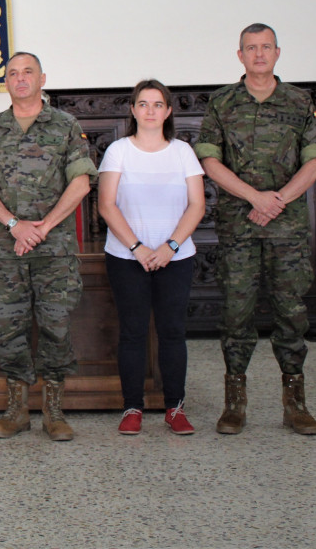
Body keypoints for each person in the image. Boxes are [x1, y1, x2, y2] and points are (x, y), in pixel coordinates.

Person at [194, 24, 316, 436]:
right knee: (236, 315)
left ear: (277, 53)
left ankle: (296, 404)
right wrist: (255, 197)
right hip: (239, 227)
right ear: (239, 56)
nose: (258, 54)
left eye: (265, 47)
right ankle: (234, 404)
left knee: (292, 315)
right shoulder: (221, 103)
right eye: (250, 48)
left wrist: (279, 199)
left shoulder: (298, 101)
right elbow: (209, 161)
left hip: (286, 230)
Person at [0, 52, 96, 441]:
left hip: (54, 250)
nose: (20, 79)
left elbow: (81, 182)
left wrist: (44, 226)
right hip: (9, 249)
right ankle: (16, 409)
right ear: (5, 82)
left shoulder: (66, 126)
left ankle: (53, 411)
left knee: (56, 325)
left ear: (42, 79)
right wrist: (14, 225)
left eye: (28, 73)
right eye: (13, 74)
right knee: (10, 327)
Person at [97, 80, 205, 436]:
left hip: (175, 257)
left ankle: (175, 408)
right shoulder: (118, 151)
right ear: (132, 110)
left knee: (172, 332)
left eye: (158, 104)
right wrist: (138, 248)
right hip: (127, 257)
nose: (150, 110)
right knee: (133, 332)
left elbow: (196, 205)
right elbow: (107, 205)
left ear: (168, 111)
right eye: (143, 104)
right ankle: (133, 408)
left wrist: (169, 247)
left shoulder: (182, 152)